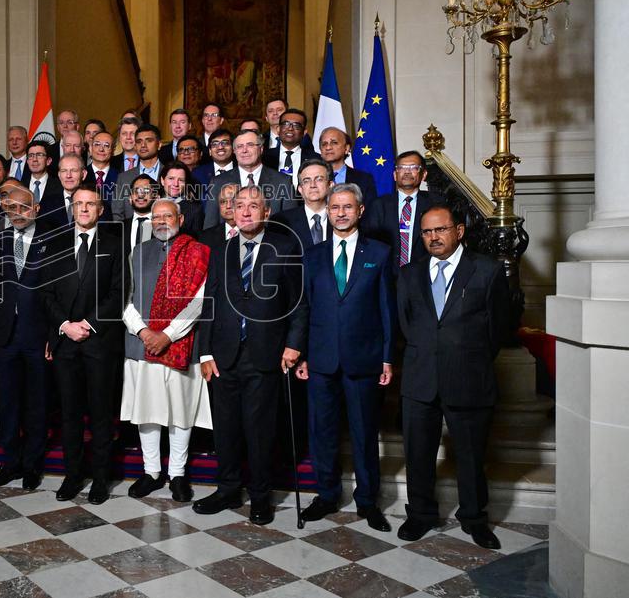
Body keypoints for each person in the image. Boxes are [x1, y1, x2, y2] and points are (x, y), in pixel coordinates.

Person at [396, 206, 510, 549]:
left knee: (471, 455)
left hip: (469, 377)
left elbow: (499, 328)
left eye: (441, 230)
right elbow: (406, 324)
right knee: (418, 453)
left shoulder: (487, 271)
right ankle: (420, 514)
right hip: (420, 379)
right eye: (427, 232)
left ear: (458, 231)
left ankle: (475, 519)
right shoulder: (409, 274)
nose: (434, 237)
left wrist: (466, 356)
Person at [194, 186, 307, 524]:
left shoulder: (285, 247)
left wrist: (294, 344)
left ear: (266, 211)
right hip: (223, 355)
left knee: (259, 431)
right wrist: (205, 352)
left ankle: (260, 496)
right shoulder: (224, 250)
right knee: (225, 429)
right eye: (238, 205)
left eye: (252, 205)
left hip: (265, 354)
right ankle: (228, 489)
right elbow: (209, 303)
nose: (244, 211)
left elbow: (299, 303)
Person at [296, 183, 396, 532]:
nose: (340, 212)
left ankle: (368, 501)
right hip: (321, 360)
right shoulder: (313, 255)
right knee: (322, 432)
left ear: (360, 211)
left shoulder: (380, 253)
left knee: (364, 433)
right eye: (335, 207)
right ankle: (326, 495)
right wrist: (304, 354)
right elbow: (305, 309)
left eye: (347, 207)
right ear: (327, 210)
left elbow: (387, 309)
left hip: (364, 360)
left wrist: (386, 357)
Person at [42, 186, 129, 504]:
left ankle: (101, 480)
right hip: (66, 343)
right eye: (78, 204)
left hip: (100, 343)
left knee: (102, 415)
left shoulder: (115, 244)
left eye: (90, 204)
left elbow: (118, 294)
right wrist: (65, 325)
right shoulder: (54, 245)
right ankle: (73, 475)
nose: (83, 209)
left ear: (101, 210)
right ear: (71, 208)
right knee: (70, 414)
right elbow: (46, 294)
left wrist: (88, 325)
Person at [122, 199, 212, 502]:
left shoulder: (198, 252)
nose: (161, 221)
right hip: (140, 343)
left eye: (167, 216)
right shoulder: (138, 252)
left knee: (180, 411)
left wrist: (168, 335)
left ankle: (177, 474)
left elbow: (199, 302)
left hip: (182, 344)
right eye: (156, 216)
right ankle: (150, 472)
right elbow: (124, 298)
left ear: (180, 219)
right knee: (146, 411)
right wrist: (145, 332)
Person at [0, 186, 56, 491]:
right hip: (4, 335)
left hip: (38, 336)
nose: (16, 214)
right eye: (10, 208)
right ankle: (10, 463)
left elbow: (57, 292)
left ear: (36, 208)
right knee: (7, 402)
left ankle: (32, 466)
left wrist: (53, 335)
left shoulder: (52, 241)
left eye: (22, 208)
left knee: (37, 403)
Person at [362, 150, 442, 268]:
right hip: (387, 273)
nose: (407, 172)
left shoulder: (435, 203)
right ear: (395, 175)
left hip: (423, 273)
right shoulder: (379, 205)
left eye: (413, 167)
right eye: (402, 167)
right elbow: (370, 243)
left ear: (423, 175)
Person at [204, 129, 296, 229]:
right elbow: (210, 226)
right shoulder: (218, 182)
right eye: (239, 146)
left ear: (261, 149)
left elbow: (291, 225)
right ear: (234, 151)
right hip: (229, 243)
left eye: (250, 145)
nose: (244, 150)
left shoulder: (283, 181)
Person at [269, 158, 333, 247]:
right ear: (300, 189)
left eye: (319, 179)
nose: (313, 185)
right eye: (306, 181)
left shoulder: (341, 217)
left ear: (330, 185)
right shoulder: (281, 222)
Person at [111, 124, 163, 222]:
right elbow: (117, 213)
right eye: (139, 141)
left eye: (149, 140)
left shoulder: (169, 174)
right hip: (130, 233)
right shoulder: (124, 177)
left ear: (159, 144)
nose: (143, 145)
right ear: (135, 146)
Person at [318, 127, 378, 208]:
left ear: (346, 148)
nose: (328, 147)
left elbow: (371, 212)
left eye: (334, 142)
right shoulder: (311, 178)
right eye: (324, 144)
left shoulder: (364, 179)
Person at [264, 108, 318, 182]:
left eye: (296, 126)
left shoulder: (315, 159)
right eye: (286, 124)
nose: (290, 128)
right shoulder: (264, 158)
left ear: (304, 132)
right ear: (278, 129)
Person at [40, 154, 87, 229]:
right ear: (59, 175)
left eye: (74, 170)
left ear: (83, 174)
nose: (68, 176)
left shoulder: (95, 202)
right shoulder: (47, 203)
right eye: (64, 171)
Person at [159, 161, 203, 235]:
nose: (176, 184)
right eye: (171, 178)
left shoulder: (195, 210)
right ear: (162, 180)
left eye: (181, 180)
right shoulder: (152, 205)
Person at [124, 174, 159, 256]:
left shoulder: (164, 227)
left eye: (146, 191)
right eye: (136, 191)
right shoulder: (117, 229)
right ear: (130, 198)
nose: (140, 195)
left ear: (157, 198)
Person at [198, 182, 240, 247]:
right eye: (223, 202)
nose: (228, 206)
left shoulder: (254, 233)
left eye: (233, 201)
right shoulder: (206, 237)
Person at [86, 131, 121, 207]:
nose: (101, 149)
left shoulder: (121, 177)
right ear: (90, 148)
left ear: (113, 151)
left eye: (106, 145)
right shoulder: (81, 175)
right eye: (97, 144)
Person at [26, 139, 61, 207]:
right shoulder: (20, 186)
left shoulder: (60, 186)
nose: (34, 159)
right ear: (27, 161)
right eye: (31, 155)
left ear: (48, 161)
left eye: (39, 155)